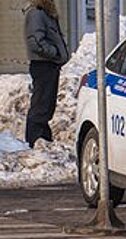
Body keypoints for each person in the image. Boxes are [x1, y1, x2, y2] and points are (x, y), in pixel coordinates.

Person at [23, 0, 69, 148]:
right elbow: (35, 41)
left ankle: (42, 137)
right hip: (43, 65)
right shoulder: (37, 13)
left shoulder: (46, 13)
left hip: (50, 65)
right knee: (41, 104)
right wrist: (54, 53)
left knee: (47, 104)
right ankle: (35, 138)